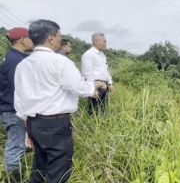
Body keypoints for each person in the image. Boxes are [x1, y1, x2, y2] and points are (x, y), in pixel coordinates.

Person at [14, 20, 97, 183]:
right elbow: (77, 86)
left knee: (39, 167)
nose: (60, 40)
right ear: (51, 38)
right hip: (55, 125)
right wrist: (91, 89)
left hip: (33, 123)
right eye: (59, 36)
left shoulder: (23, 65)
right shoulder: (60, 62)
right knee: (59, 171)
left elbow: (20, 99)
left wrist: (27, 127)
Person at [0, 27, 33, 182]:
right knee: (16, 147)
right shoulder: (16, 61)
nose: (32, 41)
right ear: (22, 40)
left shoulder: (12, 57)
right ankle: (12, 179)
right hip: (15, 110)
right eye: (30, 38)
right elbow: (19, 90)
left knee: (20, 146)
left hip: (12, 109)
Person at [81, 33, 114, 116]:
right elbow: (87, 74)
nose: (106, 43)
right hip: (96, 88)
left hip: (104, 87)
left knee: (102, 110)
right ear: (96, 42)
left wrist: (110, 83)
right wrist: (91, 90)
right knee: (94, 112)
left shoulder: (102, 55)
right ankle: (91, 128)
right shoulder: (89, 54)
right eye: (104, 41)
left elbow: (106, 70)